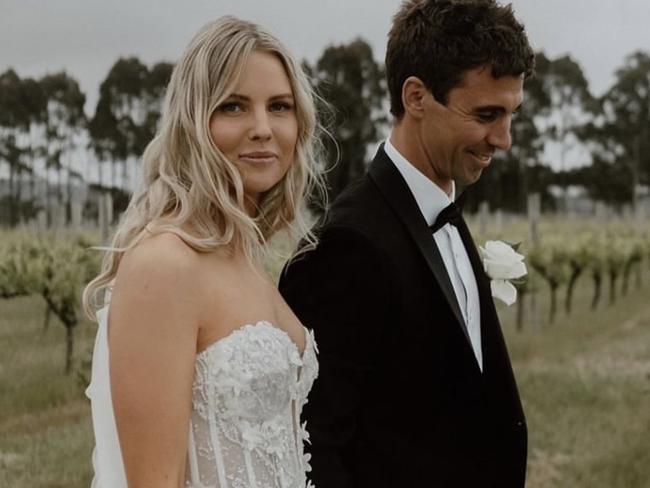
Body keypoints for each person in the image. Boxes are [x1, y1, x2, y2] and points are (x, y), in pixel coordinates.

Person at [279, 0, 535, 486]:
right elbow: (316, 450)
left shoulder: (446, 211)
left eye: (511, 114)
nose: (504, 139)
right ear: (416, 97)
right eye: (486, 114)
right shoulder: (347, 245)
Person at [83, 16, 326, 488]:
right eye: (234, 106)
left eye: (279, 106)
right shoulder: (164, 265)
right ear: (193, 121)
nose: (262, 127)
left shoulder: (247, 261)